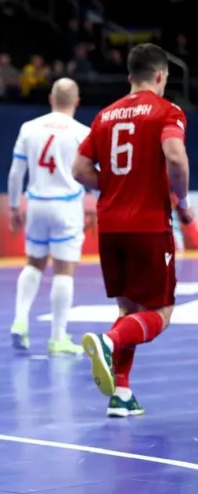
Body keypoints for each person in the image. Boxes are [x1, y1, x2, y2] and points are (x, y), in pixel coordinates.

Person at [72, 43, 193, 417]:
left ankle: (121, 394)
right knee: (161, 313)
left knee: (129, 309)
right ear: (160, 75)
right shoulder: (167, 111)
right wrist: (182, 203)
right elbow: (175, 157)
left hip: (110, 226)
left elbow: (79, 169)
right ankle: (109, 342)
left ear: (129, 76)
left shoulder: (105, 116)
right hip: (149, 225)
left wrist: (112, 188)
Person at [8, 78, 89, 356]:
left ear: (51, 98)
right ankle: (58, 338)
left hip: (37, 204)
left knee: (34, 264)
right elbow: (92, 174)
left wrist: (13, 206)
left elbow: (16, 173)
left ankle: (20, 320)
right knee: (64, 271)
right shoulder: (83, 133)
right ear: (76, 102)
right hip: (67, 206)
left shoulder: (29, 128)